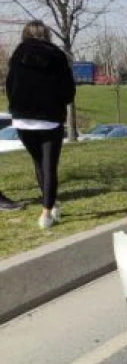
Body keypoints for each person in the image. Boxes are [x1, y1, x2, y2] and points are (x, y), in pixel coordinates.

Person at [4, 19, 75, 229]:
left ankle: (51, 204)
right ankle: (46, 213)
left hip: (22, 119)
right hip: (49, 119)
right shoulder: (57, 56)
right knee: (49, 166)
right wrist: (62, 103)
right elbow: (67, 89)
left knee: (38, 163)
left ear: (25, 34)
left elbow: (10, 86)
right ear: (47, 34)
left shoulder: (17, 55)